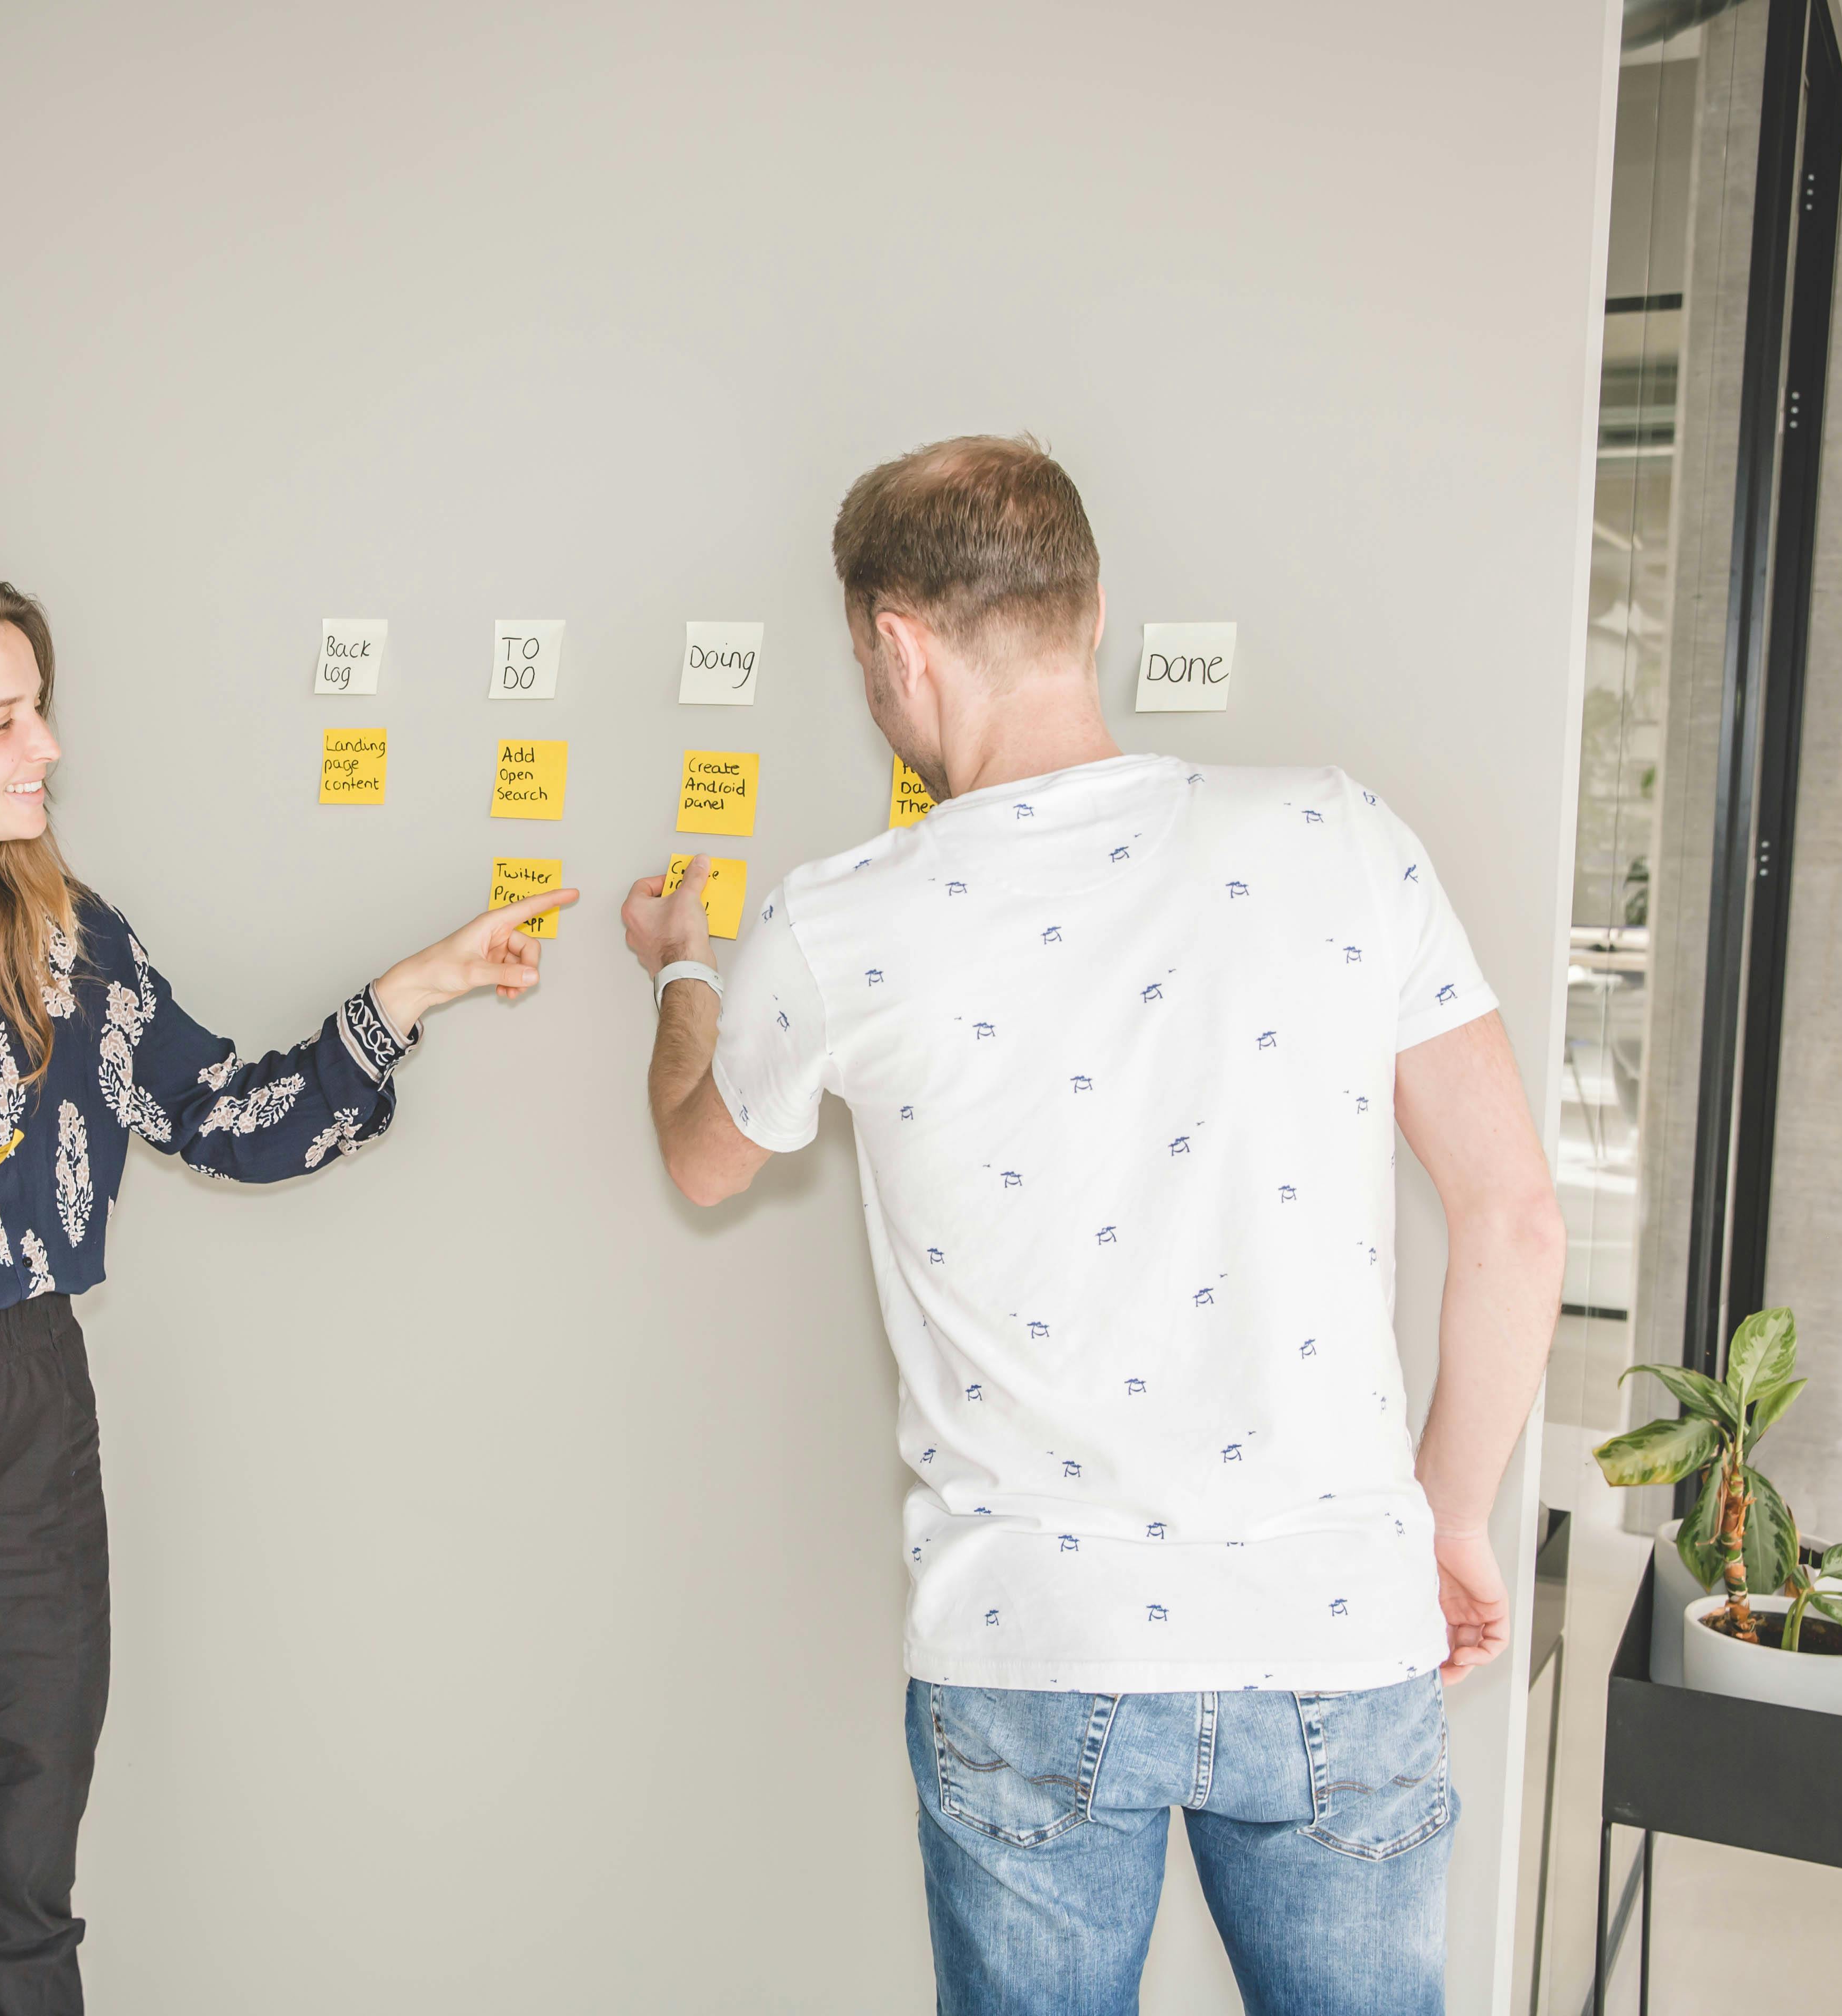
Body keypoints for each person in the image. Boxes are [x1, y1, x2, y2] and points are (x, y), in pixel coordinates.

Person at [621, 437, 1561, 2016]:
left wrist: (679, 972)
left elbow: (703, 1156)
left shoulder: (840, 918)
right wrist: (1448, 1522)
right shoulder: (1339, 835)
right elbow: (1515, 1218)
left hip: (1030, 1648)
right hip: (1335, 1632)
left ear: (895, 645)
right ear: (1093, 607)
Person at [0, 574, 575, 2011]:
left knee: (25, 1885)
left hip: (28, 1407)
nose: (46, 749)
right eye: (5, 720)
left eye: (41, 713)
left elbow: (232, 1118)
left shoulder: (70, 942)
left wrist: (410, 994)